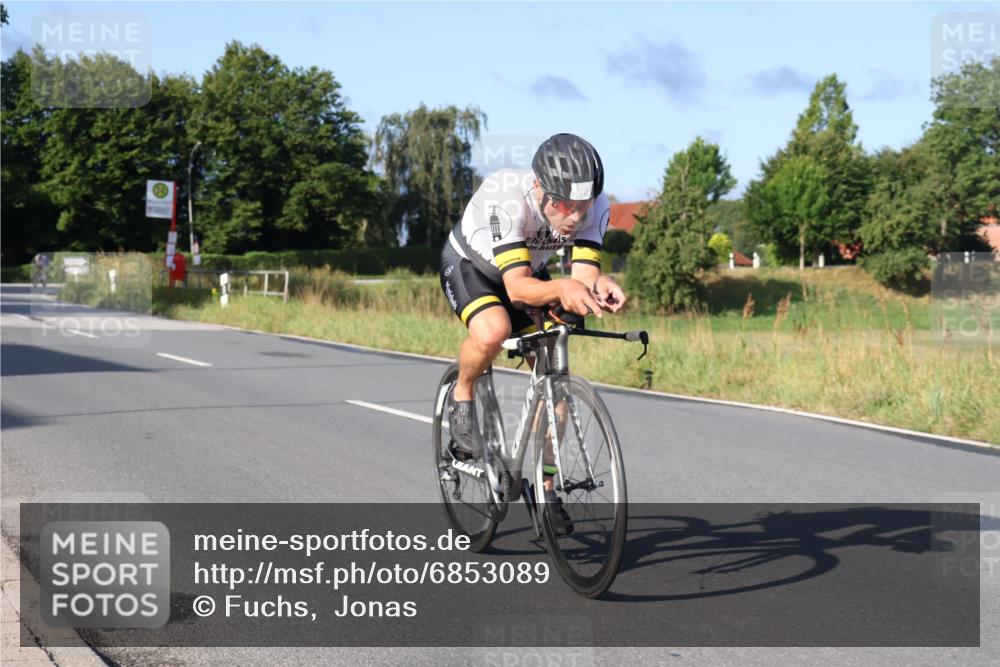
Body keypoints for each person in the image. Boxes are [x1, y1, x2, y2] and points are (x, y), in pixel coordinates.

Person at [439, 133, 627, 533]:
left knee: (554, 382)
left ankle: (545, 490)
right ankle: (462, 396)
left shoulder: (595, 204)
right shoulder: (506, 197)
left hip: (529, 273)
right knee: (493, 330)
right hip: (473, 267)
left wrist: (596, 285)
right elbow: (517, 290)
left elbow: (583, 274)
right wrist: (562, 289)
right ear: (540, 187)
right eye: (564, 206)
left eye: (584, 206)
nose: (575, 217)